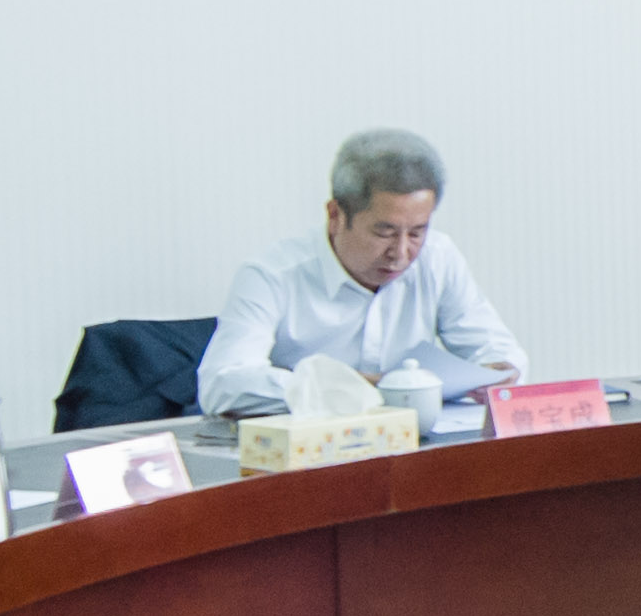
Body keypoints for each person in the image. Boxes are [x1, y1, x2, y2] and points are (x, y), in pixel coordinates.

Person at [200, 126, 526, 416]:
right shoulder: (272, 275)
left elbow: (500, 352)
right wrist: (355, 387)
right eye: (384, 232)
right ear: (335, 216)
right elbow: (222, 384)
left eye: (417, 232)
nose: (400, 253)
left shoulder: (438, 257)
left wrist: (498, 373)